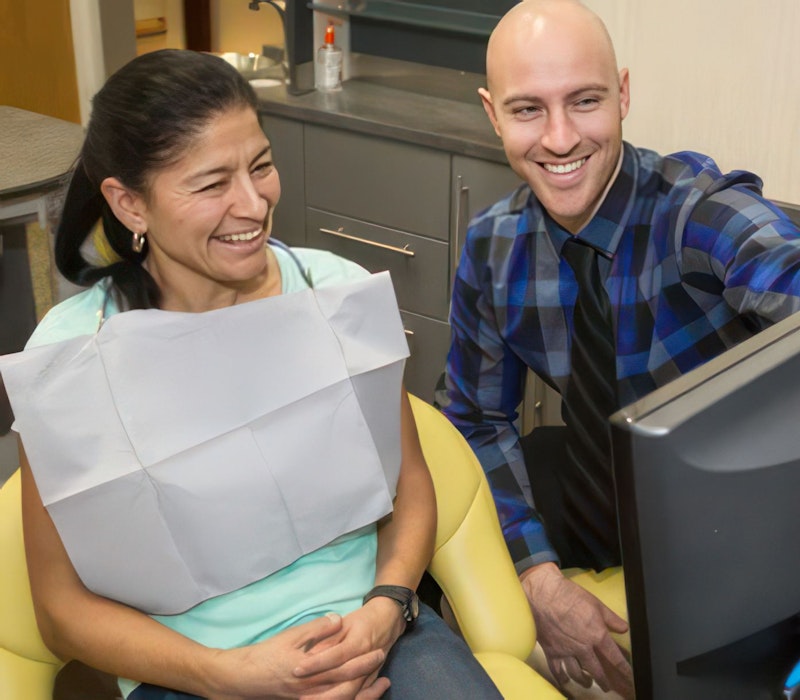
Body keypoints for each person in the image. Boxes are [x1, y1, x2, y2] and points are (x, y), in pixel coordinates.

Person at [9, 49, 503, 700]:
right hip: (186, 669)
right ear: (130, 204)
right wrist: (226, 676)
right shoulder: (70, 356)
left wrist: (386, 607)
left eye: (261, 166)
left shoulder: (337, 295)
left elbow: (410, 486)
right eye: (213, 184)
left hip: (369, 627)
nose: (253, 203)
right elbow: (59, 611)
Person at [441, 1, 800, 698]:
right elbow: (474, 419)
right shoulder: (494, 245)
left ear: (624, 93)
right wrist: (538, 581)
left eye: (585, 101)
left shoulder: (694, 211)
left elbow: (779, 266)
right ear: (491, 113)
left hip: (724, 535)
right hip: (589, 502)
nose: (560, 137)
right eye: (526, 110)